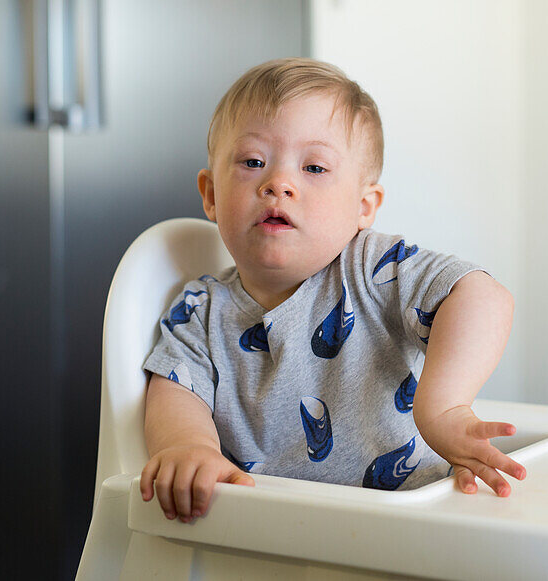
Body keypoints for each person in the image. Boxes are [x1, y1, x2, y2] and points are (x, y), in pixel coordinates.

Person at [140, 58, 524, 523]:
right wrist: (187, 447)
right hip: (268, 538)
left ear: (364, 206)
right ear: (212, 196)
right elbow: (176, 391)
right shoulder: (200, 310)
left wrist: (444, 405)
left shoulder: (374, 269)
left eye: (315, 168)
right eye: (253, 161)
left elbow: (482, 296)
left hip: (411, 525)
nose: (278, 183)